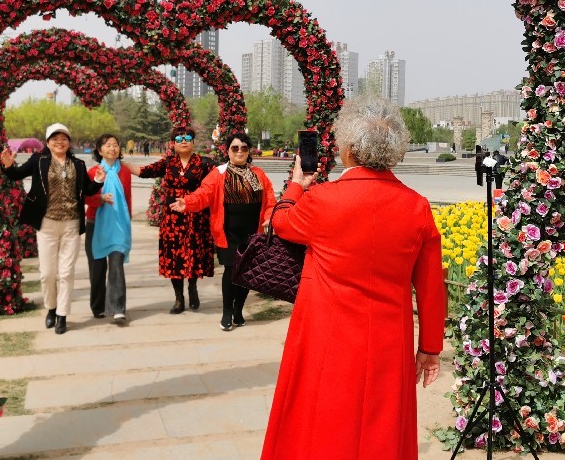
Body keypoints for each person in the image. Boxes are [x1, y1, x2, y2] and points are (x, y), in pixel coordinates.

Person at [260, 96, 445, 459]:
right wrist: (430, 348)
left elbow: (280, 222)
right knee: (382, 432)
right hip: (389, 340)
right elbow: (430, 287)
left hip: (326, 337)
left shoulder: (323, 200)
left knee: (321, 427)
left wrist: (297, 184)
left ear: (348, 149)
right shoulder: (417, 207)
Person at [0, 123, 105, 335]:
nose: (60, 142)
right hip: (46, 223)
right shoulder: (39, 160)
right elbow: (16, 175)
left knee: (66, 272)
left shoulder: (78, 164)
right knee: (48, 273)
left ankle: (62, 316)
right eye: (55, 138)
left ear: (69, 142)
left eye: (64, 138)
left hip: (71, 224)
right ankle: (51, 308)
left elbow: (86, 190)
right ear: (48, 142)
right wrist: (9, 166)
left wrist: (98, 182)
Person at [170, 132, 276, 330]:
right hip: (228, 233)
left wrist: (270, 217)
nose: (239, 152)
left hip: (252, 232)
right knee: (230, 271)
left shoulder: (258, 174)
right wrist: (188, 202)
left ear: (249, 151)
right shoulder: (219, 174)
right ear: (227, 151)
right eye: (235, 148)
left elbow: (270, 199)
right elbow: (204, 194)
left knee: (246, 273)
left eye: (244, 148)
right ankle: (227, 312)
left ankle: (238, 311)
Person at [135, 127, 216, 314]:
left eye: (188, 137)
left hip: (196, 217)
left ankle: (193, 287)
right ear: (173, 143)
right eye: (179, 138)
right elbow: (144, 171)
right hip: (172, 220)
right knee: (175, 258)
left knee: (194, 254)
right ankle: (179, 299)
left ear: (194, 141)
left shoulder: (205, 163)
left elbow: (222, 174)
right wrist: (117, 164)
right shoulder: (168, 163)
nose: (183, 141)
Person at [84, 134, 133, 323]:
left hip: (119, 225)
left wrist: (127, 222)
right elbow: (85, 198)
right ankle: (98, 306)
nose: (112, 148)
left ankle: (118, 308)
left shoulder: (125, 172)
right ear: (99, 150)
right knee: (97, 268)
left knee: (116, 265)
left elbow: (127, 199)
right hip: (95, 224)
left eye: (115, 145)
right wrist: (100, 199)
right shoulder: (91, 172)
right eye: (107, 145)